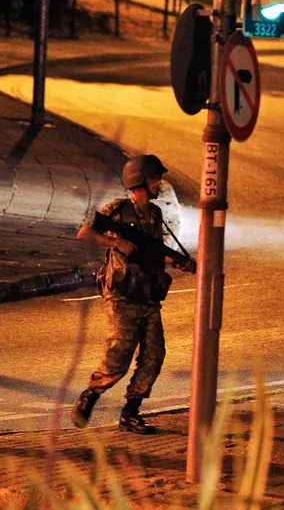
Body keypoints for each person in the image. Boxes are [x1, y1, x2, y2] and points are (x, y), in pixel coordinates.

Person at [71, 154, 195, 434]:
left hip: (148, 295)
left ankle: (131, 412)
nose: (159, 183)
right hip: (123, 295)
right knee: (120, 354)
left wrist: (178, 261)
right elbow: (85, 233)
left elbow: (153, 251)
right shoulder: (118, 209)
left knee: (154, 355)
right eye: (154, 178)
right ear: (139, 180)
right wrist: (117, 242)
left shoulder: (155, 214)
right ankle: (91, 394)